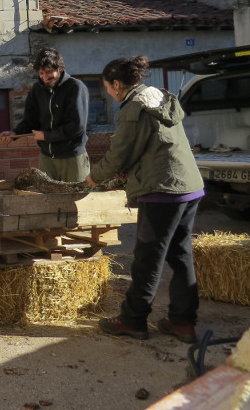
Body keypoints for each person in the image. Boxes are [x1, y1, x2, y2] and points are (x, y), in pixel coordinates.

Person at [85, 56, 204, 343]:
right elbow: (154, 143)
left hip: (162, 190)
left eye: (109, 89)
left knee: (147, 260)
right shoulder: (160, 98)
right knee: (180, 254)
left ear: (117, 84)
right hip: (188, 186)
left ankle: (132, 320)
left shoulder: (134, 106)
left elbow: (120, 152)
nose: (111, 95)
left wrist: (95, 177)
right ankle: (183, 323)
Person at [0, 47, 89, 182]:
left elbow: (77, 126)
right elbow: (31, 121)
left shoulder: (76, 88)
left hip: (72, 157)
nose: (45, 77)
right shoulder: (36, 90)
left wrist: (46, 136)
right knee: (47, 199)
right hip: (47, 158)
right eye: (41, 73)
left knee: (77, 199)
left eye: (49, 72)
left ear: (59, 68)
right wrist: (14, 134)